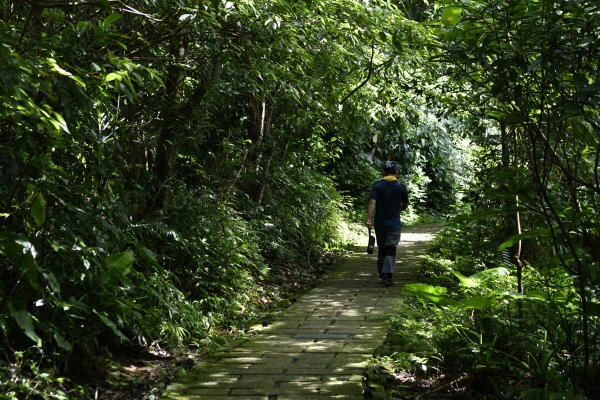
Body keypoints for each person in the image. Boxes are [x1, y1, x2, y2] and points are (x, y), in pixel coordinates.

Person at [366, 161, 409, 286]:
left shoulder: (377, 185)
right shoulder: (401, 187)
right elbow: (405, 204)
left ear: (383, 172)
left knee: (382, 248)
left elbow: (372, 202)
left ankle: (382, 272)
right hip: (394, 224)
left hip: (380, 223)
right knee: (391, 248)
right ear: (396, 172)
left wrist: (369, 218)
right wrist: (400, 208)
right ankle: (387, 274)